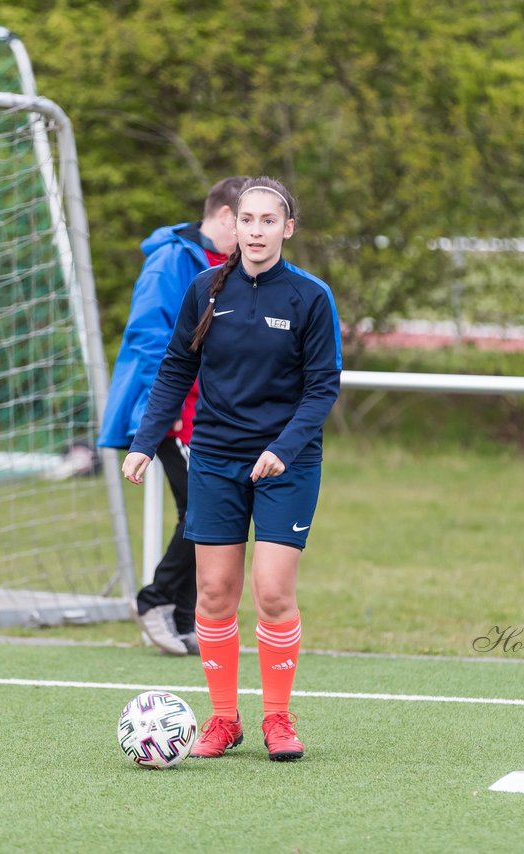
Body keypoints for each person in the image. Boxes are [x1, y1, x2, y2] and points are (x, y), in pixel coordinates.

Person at [122, 177, 342, 762]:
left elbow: (322, 388)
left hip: (285, 465)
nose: (257, 231)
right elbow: (174, 370)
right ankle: (224, 719)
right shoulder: (205, 289)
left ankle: (277, 717)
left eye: (270, 221)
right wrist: (146, 441)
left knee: (272, 593)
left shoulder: (310, 298)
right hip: (214, 459)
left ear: (287, 229)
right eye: (248, 219)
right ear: (233, 223)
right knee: (215, 593)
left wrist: (286, 446)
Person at [100, 176, 248, 656]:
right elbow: (148, 338)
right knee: (205, 509)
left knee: (210, 512)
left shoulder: (233, 264)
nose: (251, 232)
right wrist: (155, 417)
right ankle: (155, 599)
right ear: (225, 216)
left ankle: (184, 617)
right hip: (174, 412)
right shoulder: (171, 259)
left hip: (215, 413)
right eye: (244, 220)